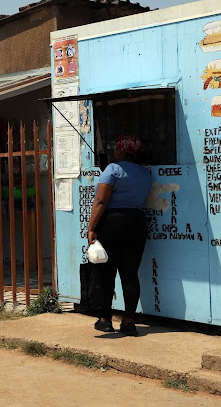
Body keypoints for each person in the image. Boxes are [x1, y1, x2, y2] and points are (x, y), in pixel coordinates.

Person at [87, 134, 151, 337]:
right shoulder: (145, 173)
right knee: (130, 274)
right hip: (137, 223)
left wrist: (91, 227)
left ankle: (105, 320)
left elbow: (101, 201)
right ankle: (129, 322)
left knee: (106, 272)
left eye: (116, 147)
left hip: (112, 223)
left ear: (122, 150)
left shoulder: (113, 169)